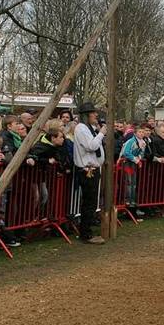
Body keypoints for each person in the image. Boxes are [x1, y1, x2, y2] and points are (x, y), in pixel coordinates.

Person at [73, 102, 106, 245]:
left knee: (91, 202)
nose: (96, 115)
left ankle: (87, 230)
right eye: (93, 113)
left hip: (93, 169)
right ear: (87, 115)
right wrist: (101, 134)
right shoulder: (81, 129)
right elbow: (91, 146)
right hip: (87, 170)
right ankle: (85, 234)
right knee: (88, 203)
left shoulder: (89, 128)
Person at [120, 125, 146, 217]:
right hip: (126, 162)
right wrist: (136, 159)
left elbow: (141, 153)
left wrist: (138, 159)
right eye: (139, 132)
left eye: (143, 132)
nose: (141, 134)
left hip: (134, 163)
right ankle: (127, 200)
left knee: (134, 183)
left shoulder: (143, 142)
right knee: (129, 182)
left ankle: (132, 200)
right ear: (135, 133)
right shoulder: (131, 141)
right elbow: (126, 153)